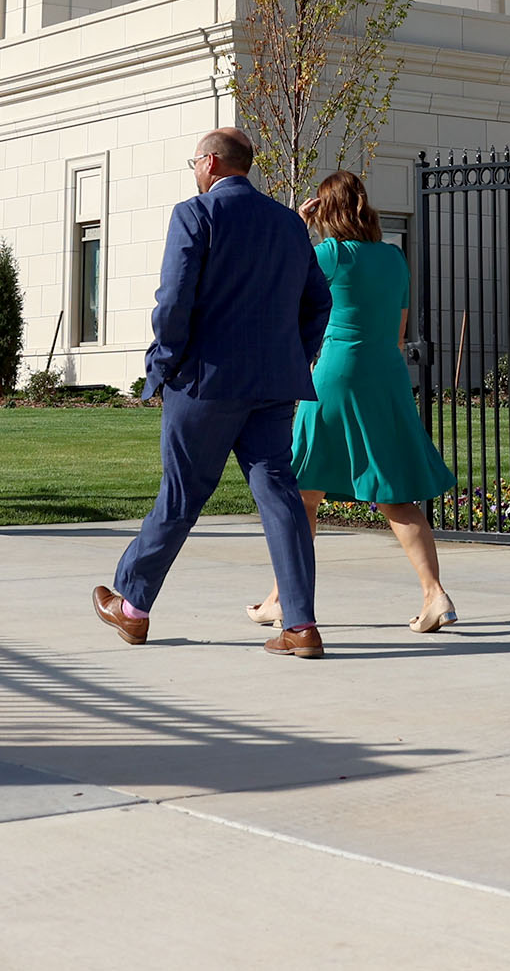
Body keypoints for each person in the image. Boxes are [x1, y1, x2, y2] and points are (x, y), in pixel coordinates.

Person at [92, 129, 330, 658]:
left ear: (213, 163)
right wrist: (296, 354)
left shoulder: (195, 214)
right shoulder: (289, 223)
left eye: (195, 161)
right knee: (280, 496)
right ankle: (301, 624)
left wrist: (163, 363)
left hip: (205, 381)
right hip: (272, 385)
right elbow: (319, 301)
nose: (194, 170)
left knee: (181, 494)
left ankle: (132, 605)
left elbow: (174, 301)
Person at [249, 170, 458, 635]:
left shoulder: (329, 255)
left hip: (336, 374)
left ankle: (285, 598)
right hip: (386, 373)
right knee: (392, 490)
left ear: (326, 210)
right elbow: (399, 332)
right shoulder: (393, 259)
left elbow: (273, 278)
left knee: (304, 489)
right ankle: (434, 594)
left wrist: (295, 225)